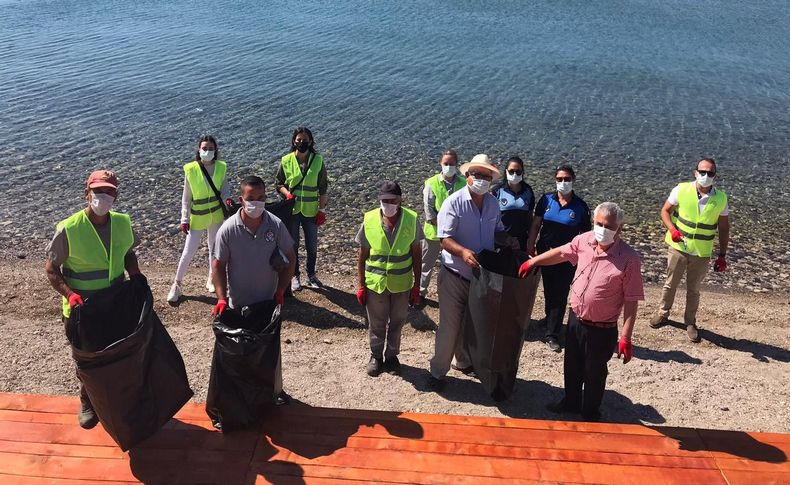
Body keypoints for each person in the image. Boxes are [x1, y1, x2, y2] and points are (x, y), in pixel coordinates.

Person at [519, 202, 643, 421]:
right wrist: (534, 261)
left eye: (609, 226)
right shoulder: (584, 240)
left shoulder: (629, 258)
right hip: (576, 319)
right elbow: (561, 253)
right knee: (572, 366)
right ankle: (570, 403)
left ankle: (590, 412)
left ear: (620, 229)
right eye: (599, 223)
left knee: (594, 373)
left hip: (602, 328)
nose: (602, 229)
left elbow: (632, 299)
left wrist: (626, 336)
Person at [45, 170, 144, 429]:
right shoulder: (69, 228)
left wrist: (135, 274)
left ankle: (115, 398)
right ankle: (87, 399)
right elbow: (51, 270)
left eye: (109, 191)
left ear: (116, 195)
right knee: (87, 357)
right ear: (86, 193)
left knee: (116, 352)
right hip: (83, 309)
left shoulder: (123, 223)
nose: (104, 196)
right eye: (99, 191)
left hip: (115, 302)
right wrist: (70, 294)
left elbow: (128, 253)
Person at [211, 175, 295, 405]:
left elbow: (290, 257)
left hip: (268, 302)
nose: (256, 203)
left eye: (260, 198)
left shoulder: (275, 225)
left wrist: (281, 289)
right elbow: (218, 265)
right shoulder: (227, 230)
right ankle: (245, 393)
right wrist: (221, 298)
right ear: (241, 199)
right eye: (251, 198)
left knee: (271, 351)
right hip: (239, 304)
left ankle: (275, 390)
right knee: (243, 353)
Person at [426, 154, 507, 391]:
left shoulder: (492, 203)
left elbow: (497, 231)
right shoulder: (454, 202)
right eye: (477, 175)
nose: (482, 179)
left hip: (482, 277)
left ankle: (462, 361)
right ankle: (438, 371)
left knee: (471, 324)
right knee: (449, 327)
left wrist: (508, 239)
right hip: (454, 275)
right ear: (468, 176)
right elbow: (444, 238)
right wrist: (462, 252)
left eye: (486, 176)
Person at [649, 158, 730, 342]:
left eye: (710, 173)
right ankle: (663, 313)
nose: (705, 176)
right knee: (670, 284)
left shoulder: (721, 198)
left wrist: (722, 255)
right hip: (678, 247)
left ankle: (690, 322)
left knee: (694, 289)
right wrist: (672, 229)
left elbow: (724, 228)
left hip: (701, 252)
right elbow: (664, 211)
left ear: (715, 176)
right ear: (695, 173)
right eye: (702, 172)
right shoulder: (681, 189)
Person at [355, 182, 423, 377]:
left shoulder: (411, 219)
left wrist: (416, 286)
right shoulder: (369, 219)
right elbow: (362, 255)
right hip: (375, 283)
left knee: (397, 322)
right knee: (376, 323)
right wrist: (361, 285)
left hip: (401, 284)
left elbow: (417, 254)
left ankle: (392, 356)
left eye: (392, 200)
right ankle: (376, 356)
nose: (388, 204)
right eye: (384, 201)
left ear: (400, 200)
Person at [526, 165, 591, 352]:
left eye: (567, 179)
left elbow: (586, 237)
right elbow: (536, 224)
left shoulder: (580, 207)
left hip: (566, 258)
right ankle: (550, 317)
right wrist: (531, 245)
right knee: (548, 289)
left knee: (560, 293)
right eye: (560, 179)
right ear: (555, 180)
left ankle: (552, 334)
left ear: (573, 180)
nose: (564, 183)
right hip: (545, 254)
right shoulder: (546, 200)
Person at [167, 135, 230, 303]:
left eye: (210, 148)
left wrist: (228, 200)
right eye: (204, 148)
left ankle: (211, 278)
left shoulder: (221, 167)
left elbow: (225, 189)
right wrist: (184, 218)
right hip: (197, 217)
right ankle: (177, 284)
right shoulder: (191, 169)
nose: (207, 151)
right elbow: (186, 198)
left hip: (216, 215)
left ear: (215, 150)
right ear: (199, 150)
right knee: (188, 251)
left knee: (213, 249)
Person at [275, 127, 329, 292]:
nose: (301, 143)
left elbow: (323, 187)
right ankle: (295, 276)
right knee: (293, 246)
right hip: (292, 211)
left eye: (305, 140)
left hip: (311, 211)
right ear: (293, 141)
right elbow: (279, 183)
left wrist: (322, 210)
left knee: (312, 246)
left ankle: (311, 275)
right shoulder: (286, 160)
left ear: (311, 141)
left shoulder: (318, 160)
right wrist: (287, 194)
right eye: (298, 140)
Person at [419, 149, 466, 307]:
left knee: (455, 266)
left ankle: (455, 295)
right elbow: (429, 213)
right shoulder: (431, 183)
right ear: (441, 163)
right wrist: (446, 228)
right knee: (426, 265)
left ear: (456, 165)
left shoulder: (463, 183)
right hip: (433, 234)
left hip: (455, 235)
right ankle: (420, 293)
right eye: (446, 164)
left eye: (452, 164)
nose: (449, 166)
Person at [492, 156, 535, 251]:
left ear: (522, 173)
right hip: (501, 240)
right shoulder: (497, 191)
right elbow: (491, 218)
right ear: (506, 171)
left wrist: (531, 241)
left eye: (518, 171)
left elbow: (530, 218)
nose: (514, 174)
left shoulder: (528, 191)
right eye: (511, 171)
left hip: (521, 240)